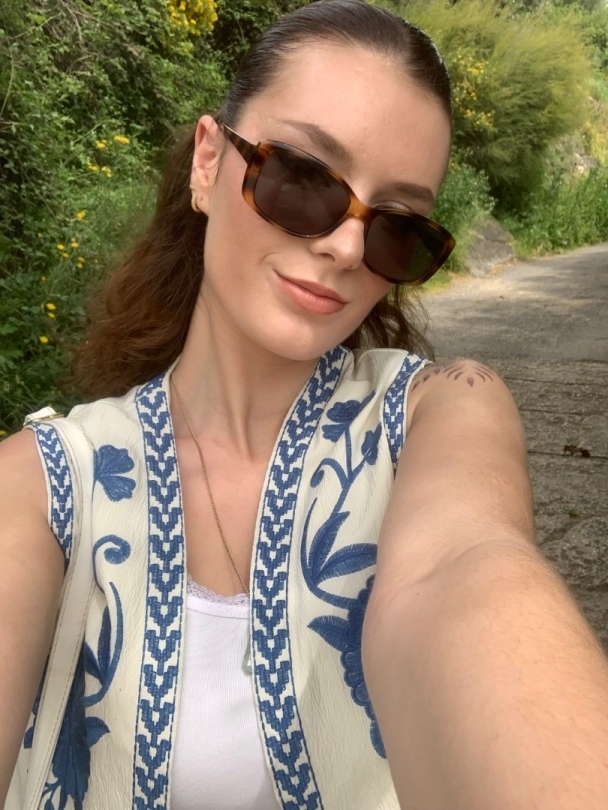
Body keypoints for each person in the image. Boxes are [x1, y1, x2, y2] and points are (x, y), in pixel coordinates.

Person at [2, 1, 608, 808]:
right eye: (304, 178)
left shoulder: (437, 417)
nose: (347, 247)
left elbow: (460, 567)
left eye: (398, 226)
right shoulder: (44, 485)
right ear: (208, 163)